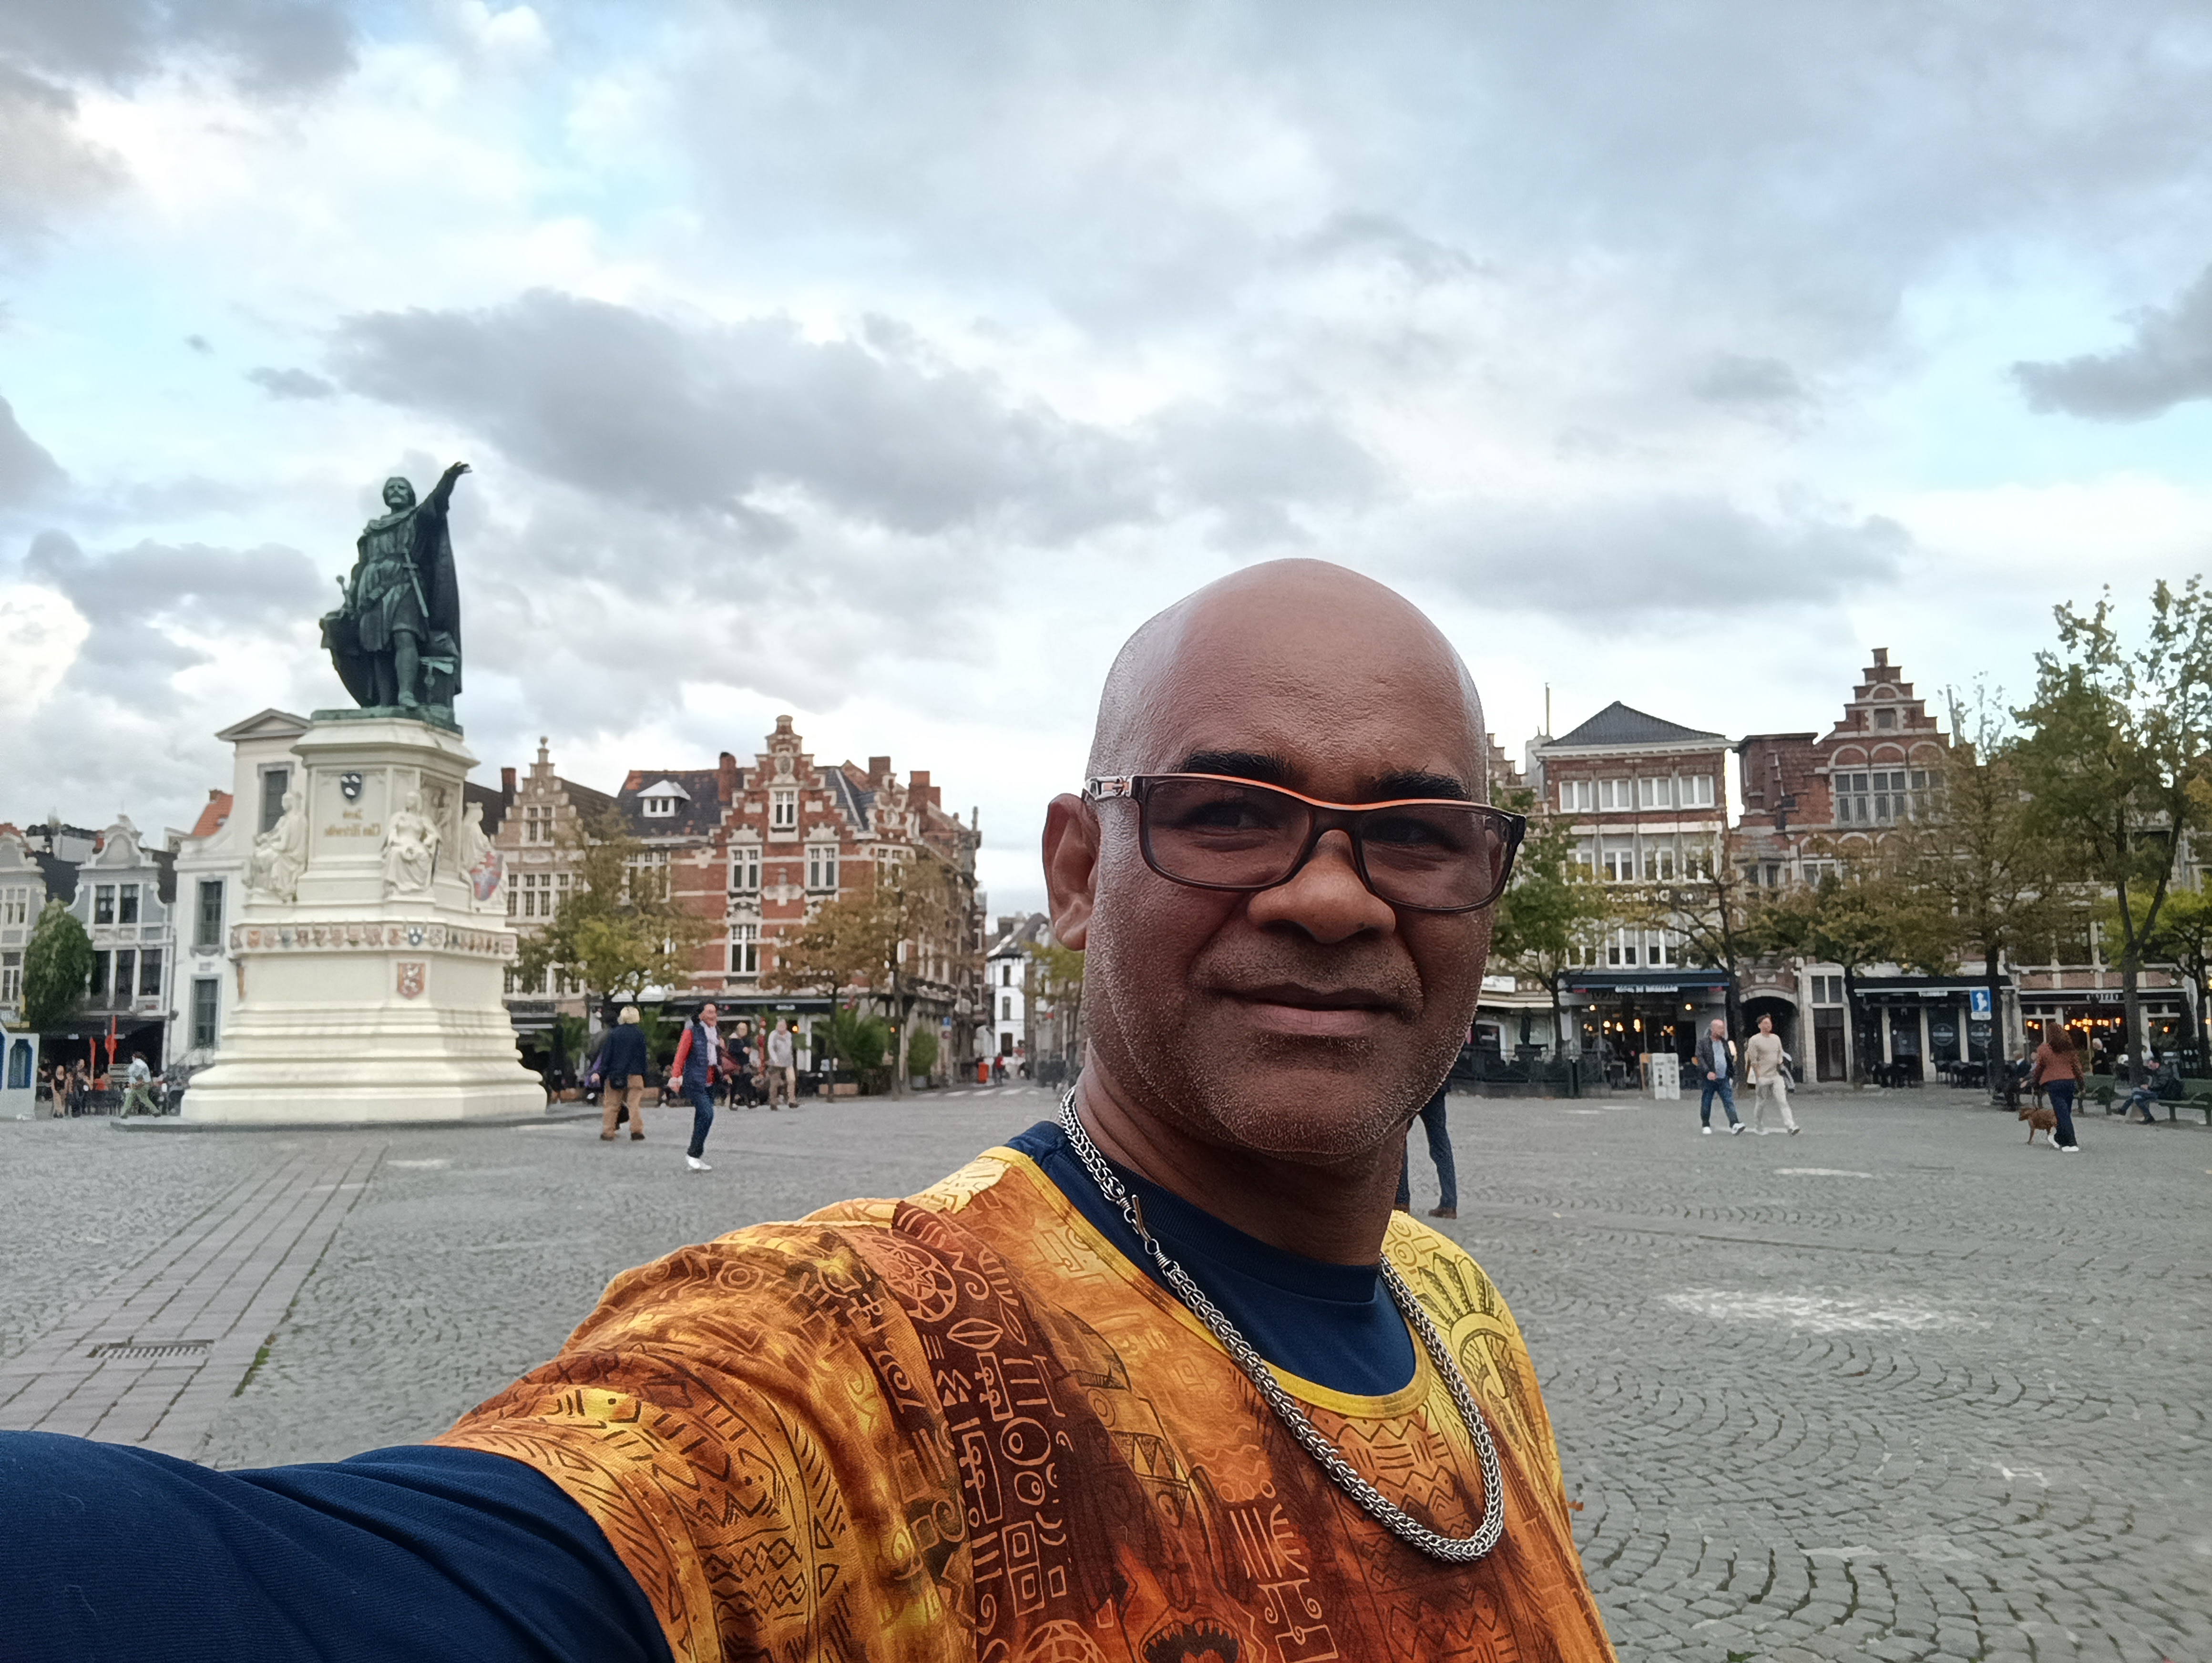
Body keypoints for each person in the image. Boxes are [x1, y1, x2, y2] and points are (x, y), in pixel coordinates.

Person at [0, 560, 1615, 1661]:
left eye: (1418, 831)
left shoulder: (1458, 1312)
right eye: (1229, 811)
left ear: (1487, 878)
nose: (1332, 894)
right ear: (1074, 873)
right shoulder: (862, 1352)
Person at [665, 1004, 723, 1171]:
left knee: (702, 1118)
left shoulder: (716, 1033)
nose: (714, 1015)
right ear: (701, 1015)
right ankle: (693, 1153)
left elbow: (717, 1057)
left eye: (715, 1012)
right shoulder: (691, 1032)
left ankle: (695, 1156)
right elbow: (680, 1056)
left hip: (711, 1081)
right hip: (695, 1080)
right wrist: (676, 1077)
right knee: (707, 1114)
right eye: (710, 1012)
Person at [1394, 1080, 1459, 1217]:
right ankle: (1449, 1203)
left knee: (1399, 1140)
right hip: (1435, 1087)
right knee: (1440, 1143)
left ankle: (1401, 1201)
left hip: (1410, 1088)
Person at [2029, 1023, 2084, 1153]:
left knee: (2061, 1113)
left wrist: (2035, 1083)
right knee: (2065, 1112)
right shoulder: (2069, 1049)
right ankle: (2060, 1138)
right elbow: (2077, 1067)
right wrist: (2082, 1083)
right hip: (2069, 1082)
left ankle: (2071, 1142)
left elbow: (2039, 1068)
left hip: (2053, 1083)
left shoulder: (2044, 1049)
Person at [596, 1007, 649, 1143]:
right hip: (635, 1074)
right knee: (634, 1105)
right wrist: (644, 1074)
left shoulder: (614, 1034)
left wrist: (602, 1073)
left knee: (612, 1105)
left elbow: (607, 1055)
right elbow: (643, 1057)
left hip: (616, 1074)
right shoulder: (640, 1034)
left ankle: (608, 1132)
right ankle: (637, 1131)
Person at [1743, 1015, 1799, 1135]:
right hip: (1762, 1076)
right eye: (1765, 1023)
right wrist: (1758, 1077)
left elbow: (1780, 1054)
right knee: (1761, 1103)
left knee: (1783, 1101)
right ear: (1759, 1025)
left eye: (1769, 1023)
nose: (1768, 1026)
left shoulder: (1776, 1038)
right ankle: (1758, 1126)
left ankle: (1791, 1126)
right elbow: (1753, 1061)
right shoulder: (1754, 1040)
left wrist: (1781, 1065)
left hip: (1776, 1075)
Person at [1696, 1017, 1742, 1134]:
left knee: (1729, 1101)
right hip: (1709, 1079)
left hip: (1724, 1078)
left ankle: (1735, 1123)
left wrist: (1731, 1074)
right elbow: (1700, 1058)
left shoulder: (1725, 1043)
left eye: (1723, 1028)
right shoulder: (1703, 1043)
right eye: (1720, 1028)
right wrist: (1708, 1072)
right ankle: (1706, 1124)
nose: (1722, 1031)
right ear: (1713, 1029)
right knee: (1707, 1101)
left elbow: (1728, 1058)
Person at [765, 1016, 796, 1109]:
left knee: (792, 1080)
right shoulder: (773, 1035)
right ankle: (773, 1102)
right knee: (775, 1083)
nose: (781, 1027)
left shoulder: (789, 1035)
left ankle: (792, 1101)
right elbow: (771, 1048)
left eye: (783, 1025)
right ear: (777, 1026)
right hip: (776, 1063)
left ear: (786, 1026)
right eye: (779, 1026)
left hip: (788, 1062)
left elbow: (789, 1048)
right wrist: (776, 1060)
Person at [119, 1051, 160, 1117]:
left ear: (135, 1057)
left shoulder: (136, 1064)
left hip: (138, 1085)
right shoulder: (143, 1064)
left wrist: (132, 1084)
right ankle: (155, 1111)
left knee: (130, 1098)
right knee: (143, 1098)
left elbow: (132, 1075)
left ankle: (124, 1113)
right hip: (145, 1084)